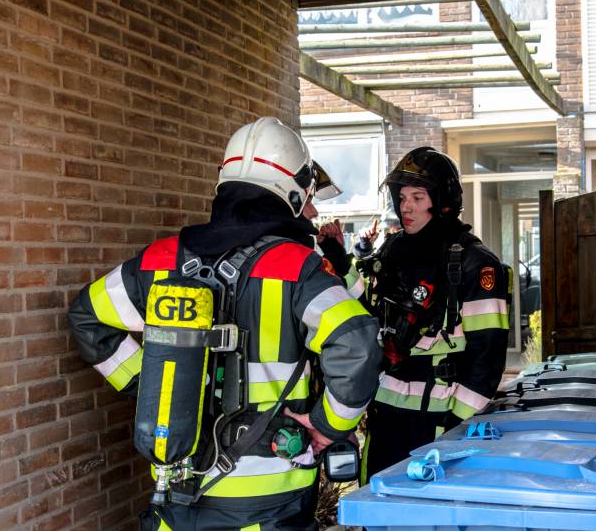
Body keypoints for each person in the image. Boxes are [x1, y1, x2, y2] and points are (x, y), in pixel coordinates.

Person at [68, 117, 382, 530]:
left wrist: (151, 384)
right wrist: (326, 427)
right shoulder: (297, 267)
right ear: (290, 192)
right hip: (270, 494)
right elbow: (357, 343)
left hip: (177, 487)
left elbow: (87, 317)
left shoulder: (159, 260)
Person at [356, 146, 511, 483]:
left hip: (441, 423)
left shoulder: (476, 263)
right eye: (402, 196)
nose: (405, 206)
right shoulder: (392, 251)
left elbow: (488, 358)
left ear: (441, 200)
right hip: (387, 418)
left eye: (417, 196)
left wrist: (457, 427)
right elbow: (363, 310)